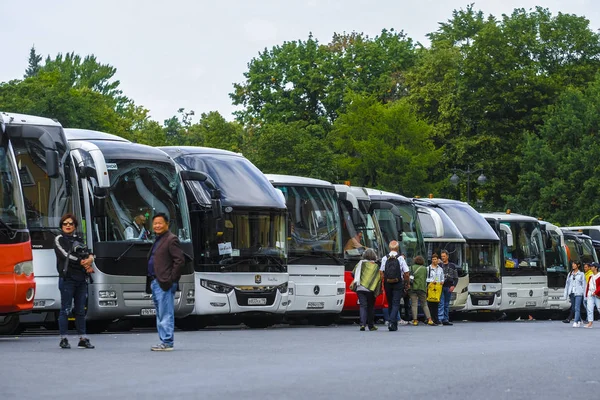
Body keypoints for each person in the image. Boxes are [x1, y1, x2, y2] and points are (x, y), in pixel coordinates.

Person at [54, 213, 95, 349]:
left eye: (71, 223)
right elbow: (66, 255)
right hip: (67, 279)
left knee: (80, 310)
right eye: (65, 223)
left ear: (75, 226)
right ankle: (63, 338)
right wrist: (83, 262)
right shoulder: (59, 239)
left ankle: (83, 338)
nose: (68, 225)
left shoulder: (79, 239)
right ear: (61, 226)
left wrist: (91, 259)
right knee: (65, 309)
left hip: (81, 279)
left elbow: (88, 252)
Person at [148, 213, 184, 350]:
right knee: (160, 312)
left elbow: (179, 261)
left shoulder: (171, 239)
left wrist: (171, 279)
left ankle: (167, 342)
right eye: (155, 223)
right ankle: (164, 340)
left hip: (164, 282)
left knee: (165, 312)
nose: (157, 226)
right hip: (156, 281)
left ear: (167, 224)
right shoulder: (158, 239)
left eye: (160, 223)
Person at [380, 241, 410, 331]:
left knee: (390, 303)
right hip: (398, 282)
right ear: (397, 248)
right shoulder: (400, 258)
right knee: (396, 303)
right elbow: (406, 272)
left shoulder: (384, 258)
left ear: (389, 248)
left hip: (387, 283)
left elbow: (381, 272)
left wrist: (382, 283)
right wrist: (407, 283)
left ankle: (393, 324)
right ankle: (392, 322)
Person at [350, 248, 382, 331]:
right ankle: (371, 326)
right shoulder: (375, 266)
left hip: (360, 288)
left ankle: (362, 324)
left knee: (363, 306)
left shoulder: (360, 263)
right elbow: (378, 278)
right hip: (371, 289)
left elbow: (353, 273)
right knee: (371, 307)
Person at [408, 255, 435, 326]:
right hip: (422, 288)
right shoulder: (425, 269)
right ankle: (429, 319)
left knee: (414, 304)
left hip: (413, 288)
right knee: (424, 304)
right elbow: (427, 278)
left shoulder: (411, 267)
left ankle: (415, 320)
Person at [439, 249, 459, 326]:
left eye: (444, 256)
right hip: (440, 287)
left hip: (449, 287)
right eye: (442, 256)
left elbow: (456, 277)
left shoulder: (452, 266)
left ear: (447, 256)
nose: (443, 258)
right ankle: (440, 318)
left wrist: (453, 286)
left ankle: (446, 319)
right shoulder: (439, 266)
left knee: (447, 304)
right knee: (441, 303)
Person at [563, 261, 585, 328]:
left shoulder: (581, 274)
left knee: (577, 307)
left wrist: (584, 294)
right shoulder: (570, 274)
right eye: (572, 264)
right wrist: (565, 294)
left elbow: (584, 285)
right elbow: (567, 284)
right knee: (573, 307)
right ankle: (578, 320)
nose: (573, 265)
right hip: (572, 292)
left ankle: (575, 321)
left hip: (578, 292)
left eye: (574, 264)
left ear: (578, 265)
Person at [426, 253, 444, 326]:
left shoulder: (440, 269)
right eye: (433, 259)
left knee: (436, 303)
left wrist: (442, 281)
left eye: (435, 259)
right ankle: (430, 319)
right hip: (431, 287)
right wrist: (431, 281)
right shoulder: (428, 268)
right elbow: (426, 278)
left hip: (437, 288)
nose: (434, 261)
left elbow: (442, 277)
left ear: (438, 260)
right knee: (430, 303)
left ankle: (436, 319)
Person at [584, 262, 600, 328]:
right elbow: (588, 285)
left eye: (592, 266)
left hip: (597, 294)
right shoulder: (591, 276)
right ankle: (590, 322)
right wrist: (587, 294)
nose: (591, 267)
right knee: (589, 308)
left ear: (596, 268)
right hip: (590, 293)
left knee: (599, 308)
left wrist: (596, 292)